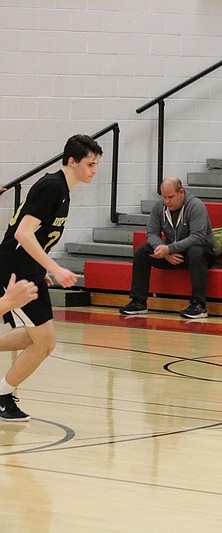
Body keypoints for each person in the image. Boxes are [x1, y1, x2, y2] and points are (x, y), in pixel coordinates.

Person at [0, 134, 102, 421]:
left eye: (96, 165)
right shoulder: (52, 186)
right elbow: (22, 233)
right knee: (45, 342)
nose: (94, 170)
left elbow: (37, 239)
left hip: (29, 269)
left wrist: (42, 269)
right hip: (15, 270)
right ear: (72, 161)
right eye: (90, 164)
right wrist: (55, 269)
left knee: (40, 338)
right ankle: (3, 395)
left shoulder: (63, 190)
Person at [120, 176, 215, 319]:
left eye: (171, 197)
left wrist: (170, 249)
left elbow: (198, 237)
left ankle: (198, 305)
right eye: (164, 197)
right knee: (142, 252)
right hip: (171, 252)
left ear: (181, 192)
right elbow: (151, 233)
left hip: (199, 252)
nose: (167, 201)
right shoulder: (160, 207)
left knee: (196, 251)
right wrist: (163, 250)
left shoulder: (196, 205)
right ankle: (138, 301)